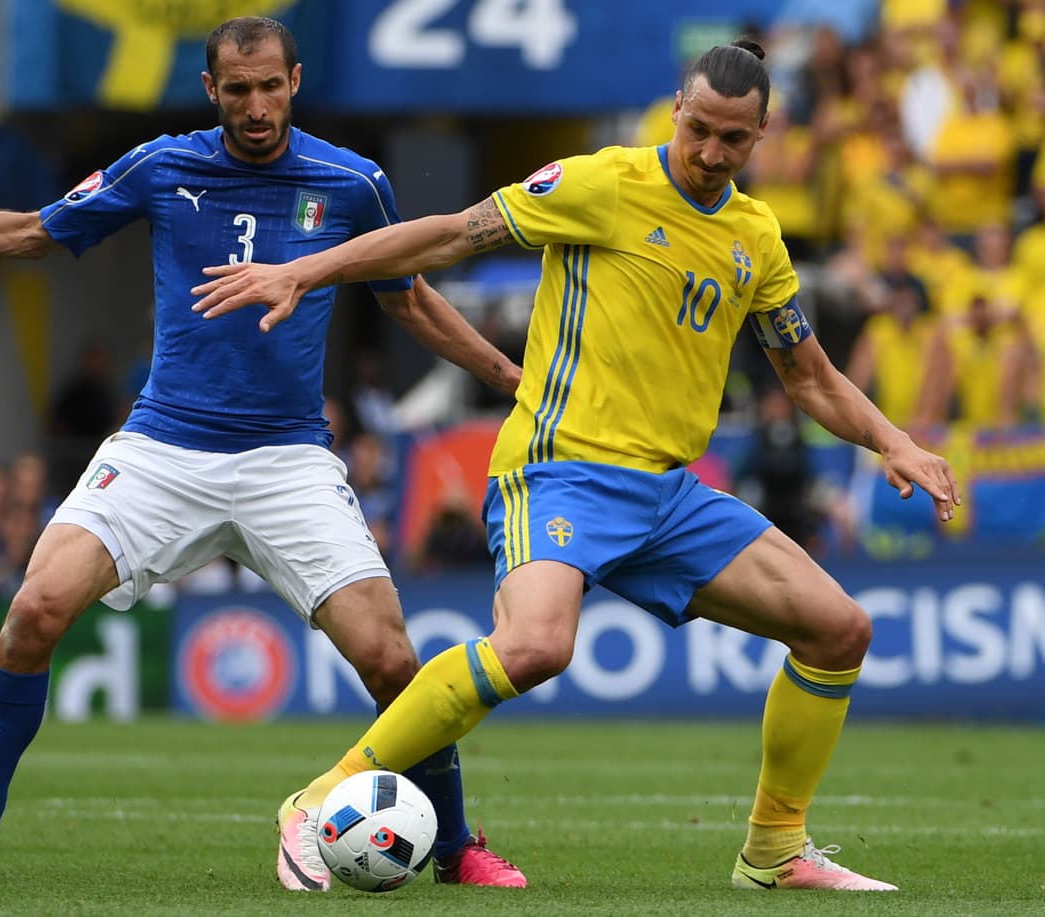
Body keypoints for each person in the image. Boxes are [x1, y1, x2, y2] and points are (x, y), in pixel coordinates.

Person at [191, 39, 962, 893]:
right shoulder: (601, 184)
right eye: (698, 128)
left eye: (733, 140)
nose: (710, 152)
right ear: (676, 106)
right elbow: (452, 234)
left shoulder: (756, 235)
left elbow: (808, 375)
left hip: (669, 493)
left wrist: (894, 439)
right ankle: (316, 801)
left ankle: (774, 852)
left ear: (764, 133)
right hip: (561, 469)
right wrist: (306, 270)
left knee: (839, 629)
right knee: (534, 645)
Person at [0, 16, 524, 891]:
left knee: (392, 660)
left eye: (271, 86)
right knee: (34, 609)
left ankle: (457, 850)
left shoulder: (352, 183)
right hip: (163, 448)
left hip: (288, 460)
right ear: (211, 90)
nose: (256, 106)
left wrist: (510, 378)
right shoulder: (160, 166)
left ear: (295, 81)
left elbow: (408, 300)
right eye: (238, 90)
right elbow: (31, 233)